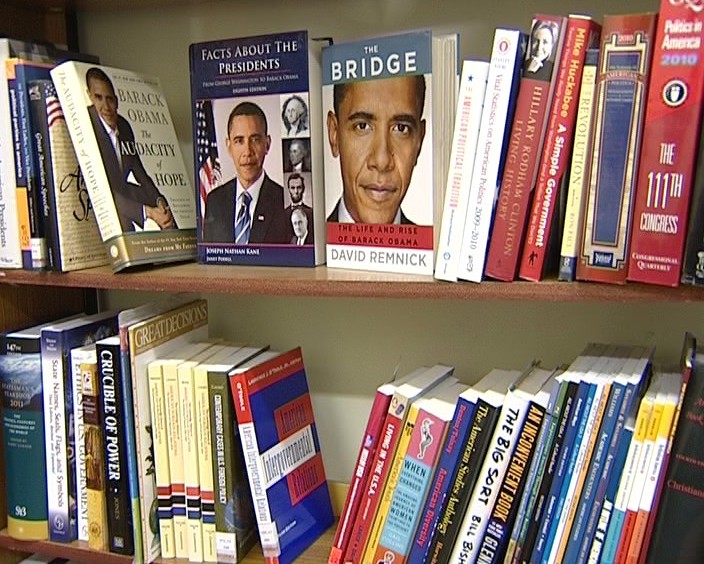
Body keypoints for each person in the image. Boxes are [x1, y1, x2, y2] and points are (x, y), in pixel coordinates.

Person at [326, 75, 426, 224]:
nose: (382, 161)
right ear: (334, 134)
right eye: (362, 126)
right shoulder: (308, 237)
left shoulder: (439, 239)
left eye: (401, 128)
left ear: (419, 142)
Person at [85, 67, 176, 232]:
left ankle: (176, 244)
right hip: (100, 199)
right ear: (90, 96)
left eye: (110, 99)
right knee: (124, 225)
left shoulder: (124, 126)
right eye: (99, 98)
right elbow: (103, 191)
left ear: (116, 100)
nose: (106, 107)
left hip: (122, 190)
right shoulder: (87, 126)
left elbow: (139, 172)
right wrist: (149, 212)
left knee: (165, 211)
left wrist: (159, 202)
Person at [202, 101, 288, 243]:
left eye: (255, 140)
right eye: (239, 141)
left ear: (267, 144)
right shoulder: (214, 201)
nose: (247, 151)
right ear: (229, 146)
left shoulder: (284, 203)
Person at [284, 173, 313, 237]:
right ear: (289, 189)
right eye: (292, 188)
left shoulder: (311, 213)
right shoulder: (283, 213)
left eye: (299, 187)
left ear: (303, 189)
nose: (296, 191)